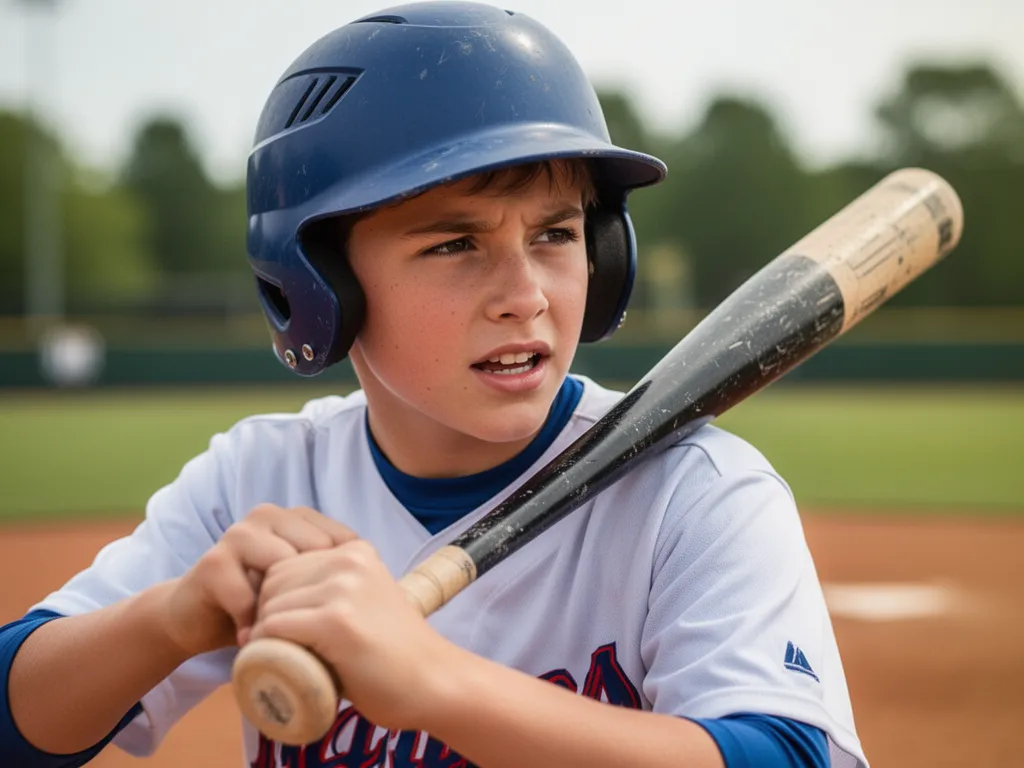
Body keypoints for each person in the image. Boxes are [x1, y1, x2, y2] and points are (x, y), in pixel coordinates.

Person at [0, 3, 868, 767]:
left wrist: (436, 687)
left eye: (557, 235)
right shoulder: (259, 483)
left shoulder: (691, 493)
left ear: (604, 257)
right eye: (455, 244)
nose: (525, 295)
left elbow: (785, 754)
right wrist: (174, 617)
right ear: (319, 287)